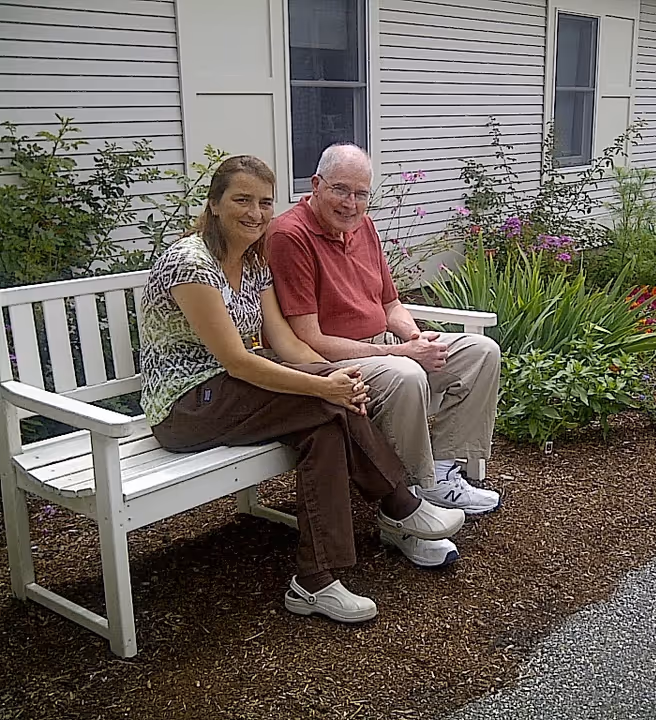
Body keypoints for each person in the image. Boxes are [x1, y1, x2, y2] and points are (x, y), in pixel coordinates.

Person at [139, 155, 465, 623]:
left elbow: (287, 343)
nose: (255, 213)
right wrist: (322, 387)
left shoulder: (253, 262)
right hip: (188, 406)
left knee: (326, 425)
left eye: (264, 202)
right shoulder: (191, 264)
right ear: (214, 203)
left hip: (235, 391)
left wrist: (331, 377)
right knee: (326, 403)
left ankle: (315, 582)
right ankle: (399, 503)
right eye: (242, 200)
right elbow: (237, 361)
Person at [267, 144, 502, 570]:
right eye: (341, 190)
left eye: (361, 194)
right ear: (316, 185)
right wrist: (402, 352)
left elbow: (390, 305)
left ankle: (439, 476)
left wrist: (416, 337)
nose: (351, 203)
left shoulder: (365, 227)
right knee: (405, 373)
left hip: (383, 347)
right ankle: (403, 513)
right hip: (331, 363)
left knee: (480, 352)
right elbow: (309, 338)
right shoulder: (290, 235)